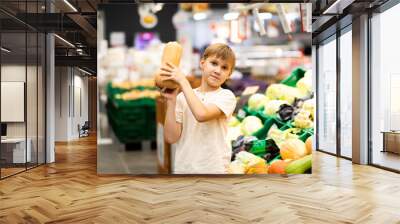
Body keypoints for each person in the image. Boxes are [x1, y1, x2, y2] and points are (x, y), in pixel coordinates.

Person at [159, 43, 237, 174]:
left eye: (224, 68)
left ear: (229, 74)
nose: (218, 70)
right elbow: (171, 138)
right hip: (184, 169)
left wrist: (183, 82)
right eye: (214, 63)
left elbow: (201, 115)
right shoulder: (183, 97)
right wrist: (171, 101)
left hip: (214, 170)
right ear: (202, 63)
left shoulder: (226, 96)